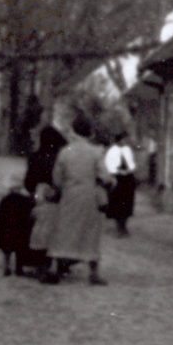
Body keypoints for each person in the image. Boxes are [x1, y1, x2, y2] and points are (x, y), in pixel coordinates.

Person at [41, 113, 113, 286]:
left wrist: (60, 187)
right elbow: (105, 176)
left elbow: (57, 178)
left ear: (74, 131)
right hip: (89, 195)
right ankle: (94, 273)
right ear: (89, 133)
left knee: (64, 231)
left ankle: (56, 270)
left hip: (69, 194)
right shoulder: (96, 152)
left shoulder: (65, 152)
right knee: (90, 233)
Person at [24, 125, 68, 278]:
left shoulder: (35, 157)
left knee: (38, 229)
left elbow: (28, 182)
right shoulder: (60, 157)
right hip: (60, 199)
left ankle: (39, 263)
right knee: (61, 231)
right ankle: (62, 264)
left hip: (40, 198)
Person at [0, 174, 35, 277]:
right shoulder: (26, 200)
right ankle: (18, 268)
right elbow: (30, 216)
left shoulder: (5, 199)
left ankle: (7, 266)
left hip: (6, 229)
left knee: (7, 250)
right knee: (19, 250)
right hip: (20, 230)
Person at [104, 132, 137, 236]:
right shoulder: (112, 151)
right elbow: (108, 165)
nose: (125, 141)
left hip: (128, 178)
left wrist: (130, 170)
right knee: (118, 203)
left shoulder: (127, 150)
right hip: (117, 178)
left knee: (127, 203)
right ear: (118, 140)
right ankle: (119, 227)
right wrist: (118, 171)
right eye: (123, 139)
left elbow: (131, 163)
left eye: (126, 139)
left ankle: (124, 226)